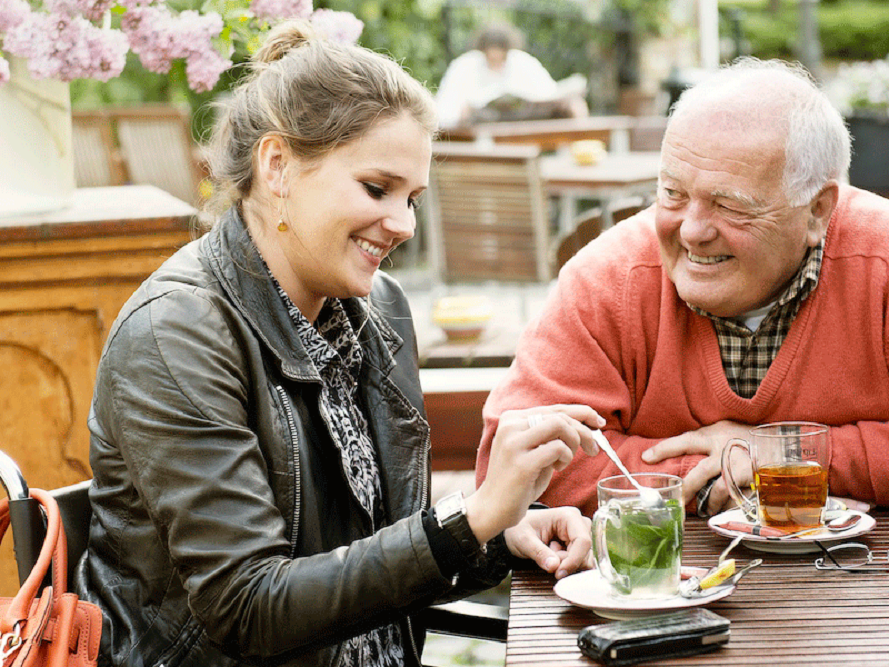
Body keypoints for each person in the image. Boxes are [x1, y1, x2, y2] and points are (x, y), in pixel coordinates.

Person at [74, 19, 606, 667]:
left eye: (412, 199)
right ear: (277, 167)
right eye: (377, 189)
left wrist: (499, 531)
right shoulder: (177, 333)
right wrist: (469, 517)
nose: (404, 224)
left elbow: (374, 553)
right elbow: (248, 608)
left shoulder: (376, 309)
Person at [475, 57, 889, 521]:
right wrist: (713, 472)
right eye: (672, 193)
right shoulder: (610, 276)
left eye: (729, 205)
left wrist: (782, 454)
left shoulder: (882, 260)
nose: (691, 231)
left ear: (816, 211)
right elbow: (510, 462)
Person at [435, 22, 587, 129]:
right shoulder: (466, 65)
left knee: (575, 104)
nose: (496, 63)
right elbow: (447, 104)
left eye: (500, 58)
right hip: (482, 121)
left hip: (524, 119)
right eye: (491, 58)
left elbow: (548, 91)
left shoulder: (522, 62)